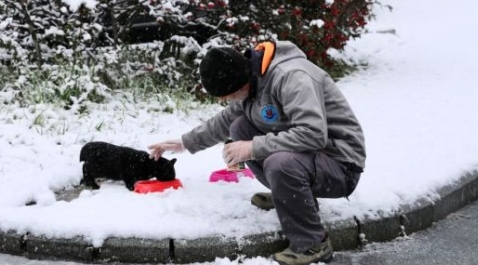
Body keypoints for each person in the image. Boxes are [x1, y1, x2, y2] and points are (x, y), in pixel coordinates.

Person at [149, 40, 365, 265]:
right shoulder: (254, 80)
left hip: (341, 163)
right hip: (313, 158)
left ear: (239, 83)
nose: (224, 100)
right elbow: (225, 120)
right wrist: (185, 143)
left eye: (227, 95)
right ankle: (293, 197)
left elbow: (312, 134)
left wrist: (252, 147)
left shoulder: (291, 77)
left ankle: (312, 245)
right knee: (239, 128)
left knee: (279, 163)